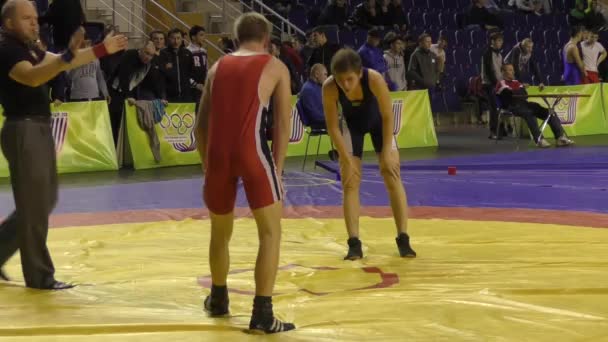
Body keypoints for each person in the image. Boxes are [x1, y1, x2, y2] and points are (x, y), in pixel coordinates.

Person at [0, 0, 127, 289]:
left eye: (35, 17)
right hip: (23, 129)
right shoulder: (6, 50)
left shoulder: (31, 47)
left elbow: (56, 62)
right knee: (34, 207)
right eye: (26, 18)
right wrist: (66, 57)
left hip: (39, 127)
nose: (34, 22)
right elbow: (33, 77)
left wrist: (100, 50)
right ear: (9, 23)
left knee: (44, 201)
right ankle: (40, 276)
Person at [194, 12, 295, 334]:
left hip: (218, 156)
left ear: (236, 39)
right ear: (267, 40)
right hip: (252, 154)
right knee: (270, 232)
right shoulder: (275, 66)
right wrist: (276, 170)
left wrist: (207, 165)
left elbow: (200, 127)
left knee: (219, 232)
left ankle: (219, 299)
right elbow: (281, 124)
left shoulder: (216, 67)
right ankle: (262, 313)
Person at [321, 48, 416, 260]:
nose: (345, 85)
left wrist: (387, 152)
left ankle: (403, 237)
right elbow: (333, 127)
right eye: (340, 80)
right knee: (350, 180)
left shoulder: (374, 79)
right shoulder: (329, 86)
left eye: (350, 79)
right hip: (351, 127)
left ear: (359, 74)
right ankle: (354, 243)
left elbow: (387, 116)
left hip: (379, 124)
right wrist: (346, 159)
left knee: (391, 172)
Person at [496, 64, 574, 148]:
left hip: (524, 104)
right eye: (510, 70)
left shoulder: (516, 82)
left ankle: (560, 137)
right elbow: (509, 95)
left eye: (513, 69)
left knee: (550, 112)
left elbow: (525, 94)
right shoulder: (501, 83)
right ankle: (540, 140)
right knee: (529, 113)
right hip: (512, 107)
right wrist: (519, 90)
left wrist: (518, 90)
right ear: (503, 72)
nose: (513, 72)